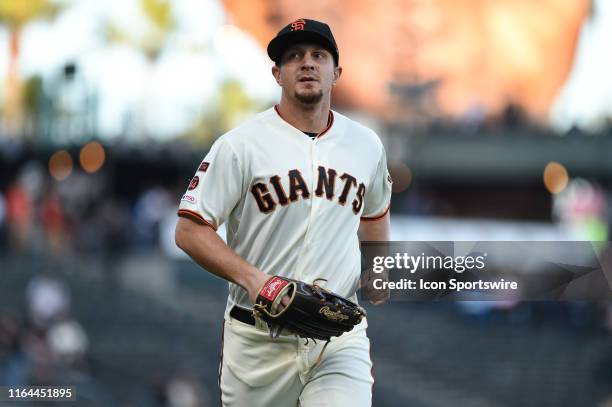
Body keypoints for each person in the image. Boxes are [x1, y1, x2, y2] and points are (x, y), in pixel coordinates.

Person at [175, 18, 392, 406]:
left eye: (318, 55)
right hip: (257, 341)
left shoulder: (366, 145)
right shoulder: (239, 145)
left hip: (337, 339)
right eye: (293, 57)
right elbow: (189, 231)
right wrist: (253, 279)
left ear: (336, 71)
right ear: (277, 73)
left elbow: (375, 213)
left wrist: (376, 268)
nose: (307, 63)